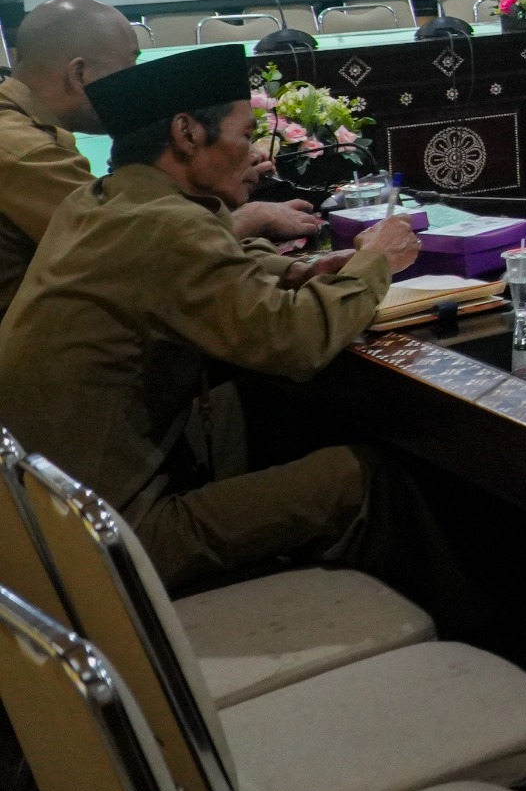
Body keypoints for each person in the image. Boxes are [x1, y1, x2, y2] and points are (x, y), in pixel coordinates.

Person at [0, 45, 437, 594]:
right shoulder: (167, 225)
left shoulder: (98, 202)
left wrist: (295, 271)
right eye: (245, 133)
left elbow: (193, 267)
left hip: (45, 529)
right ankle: (468, 633)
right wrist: (377, 261)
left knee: (265, 417)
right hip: (114, 540)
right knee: (356, 477)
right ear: (187, 134)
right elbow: (296, 341)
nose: (253, 152)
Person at [0, 0, 321, 313]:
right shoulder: (21, 148)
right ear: (80, 75)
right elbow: (131, 252)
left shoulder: (28, 126)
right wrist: (251, 218)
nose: (136, 81)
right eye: (129, 67)